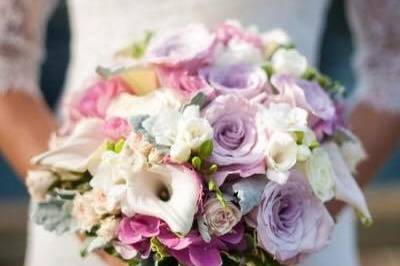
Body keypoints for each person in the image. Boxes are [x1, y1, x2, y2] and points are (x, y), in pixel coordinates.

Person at [0, 0, 399, 265]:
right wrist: (95, 218)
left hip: (294, 221)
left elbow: (393, 57)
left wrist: (280, 229)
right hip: (95, 214)